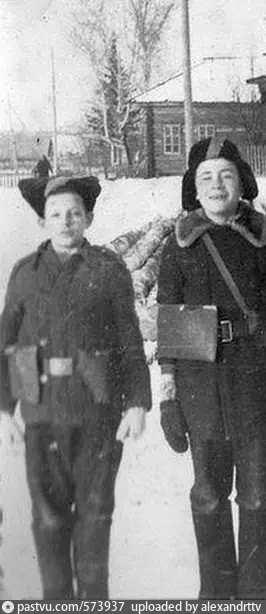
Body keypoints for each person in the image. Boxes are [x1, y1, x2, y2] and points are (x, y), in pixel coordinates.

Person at [156, 136, 266, 599]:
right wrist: (169, 397)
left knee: (257, 494)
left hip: (256, 381)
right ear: (193, 189)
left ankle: (258, 596)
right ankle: (215, 597)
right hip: (202, 386)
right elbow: (171, 324)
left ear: (242, 183)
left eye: (226, 175)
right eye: (206, 178)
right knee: (209, 493)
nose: (217, 186)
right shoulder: (179, 247)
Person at [0, 175, 151, 599]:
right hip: (42, 413)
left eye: (74, 214)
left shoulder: (107, 270)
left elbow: (129, 341)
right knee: (48, 521)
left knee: (95, 516)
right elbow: (6, 343)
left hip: (96, 414)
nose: (65, 221)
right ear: (42, 221)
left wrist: (136, 403)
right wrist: (3, 409)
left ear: (88, 218)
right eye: (55, 214)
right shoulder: (24, 273)